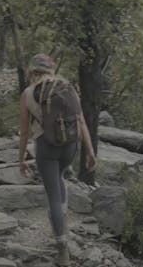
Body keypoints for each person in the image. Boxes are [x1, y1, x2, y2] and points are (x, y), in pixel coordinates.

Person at [18, 54, 96, 266]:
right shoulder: (67, 87)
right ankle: (61, 222)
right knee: (60, 179)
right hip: (69, 146)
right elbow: (80, 120)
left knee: (52, 193)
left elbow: (24, 132)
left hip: (46, 146)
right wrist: (90, 151)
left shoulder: (27, 94)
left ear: (32, 72)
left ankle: (62, 247)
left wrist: (21, 158)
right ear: (51, 70)